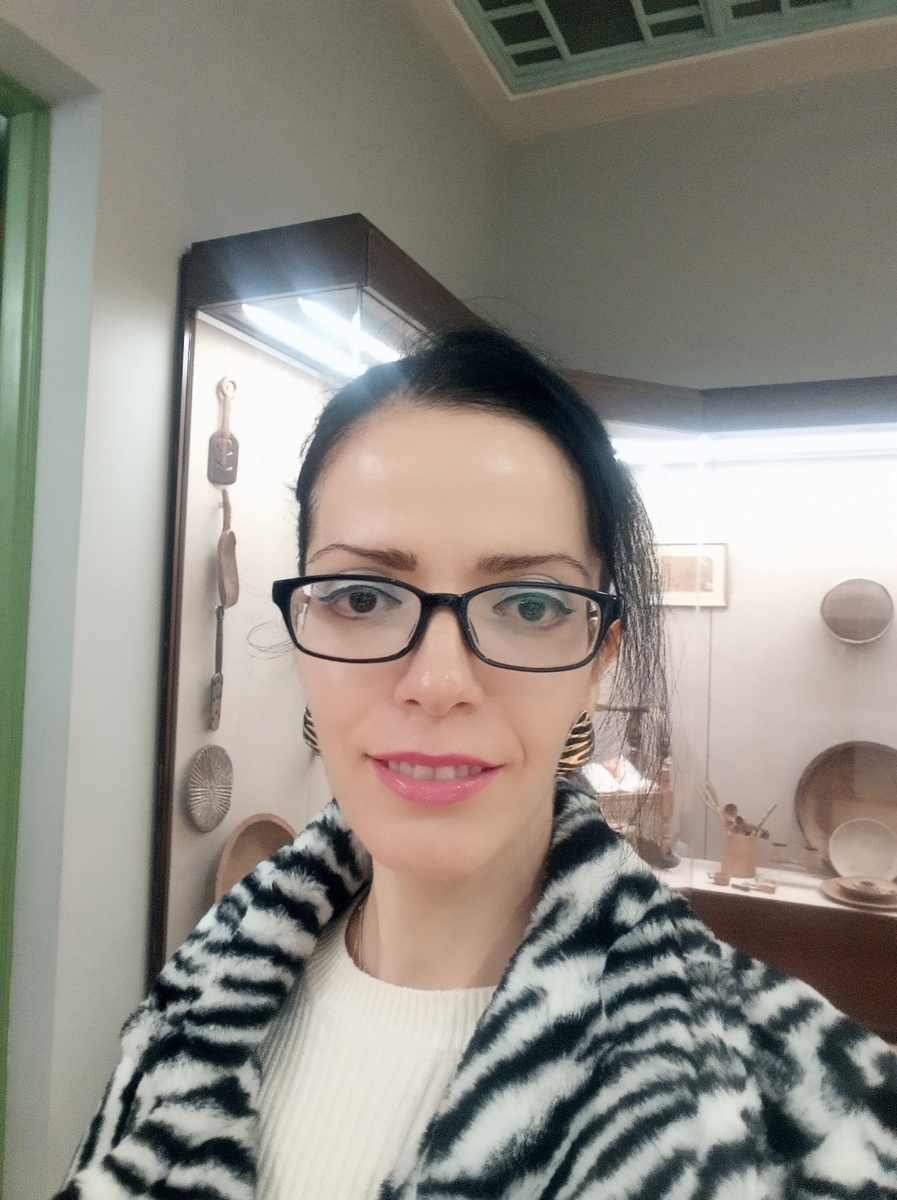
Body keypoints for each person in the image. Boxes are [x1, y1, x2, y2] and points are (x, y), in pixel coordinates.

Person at [56, 327, 897, 1200]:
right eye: (362, 596)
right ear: (302, 631)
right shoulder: (188, 1011)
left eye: (529, 605)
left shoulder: (812, 1119)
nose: (438, 683)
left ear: (597, 660)